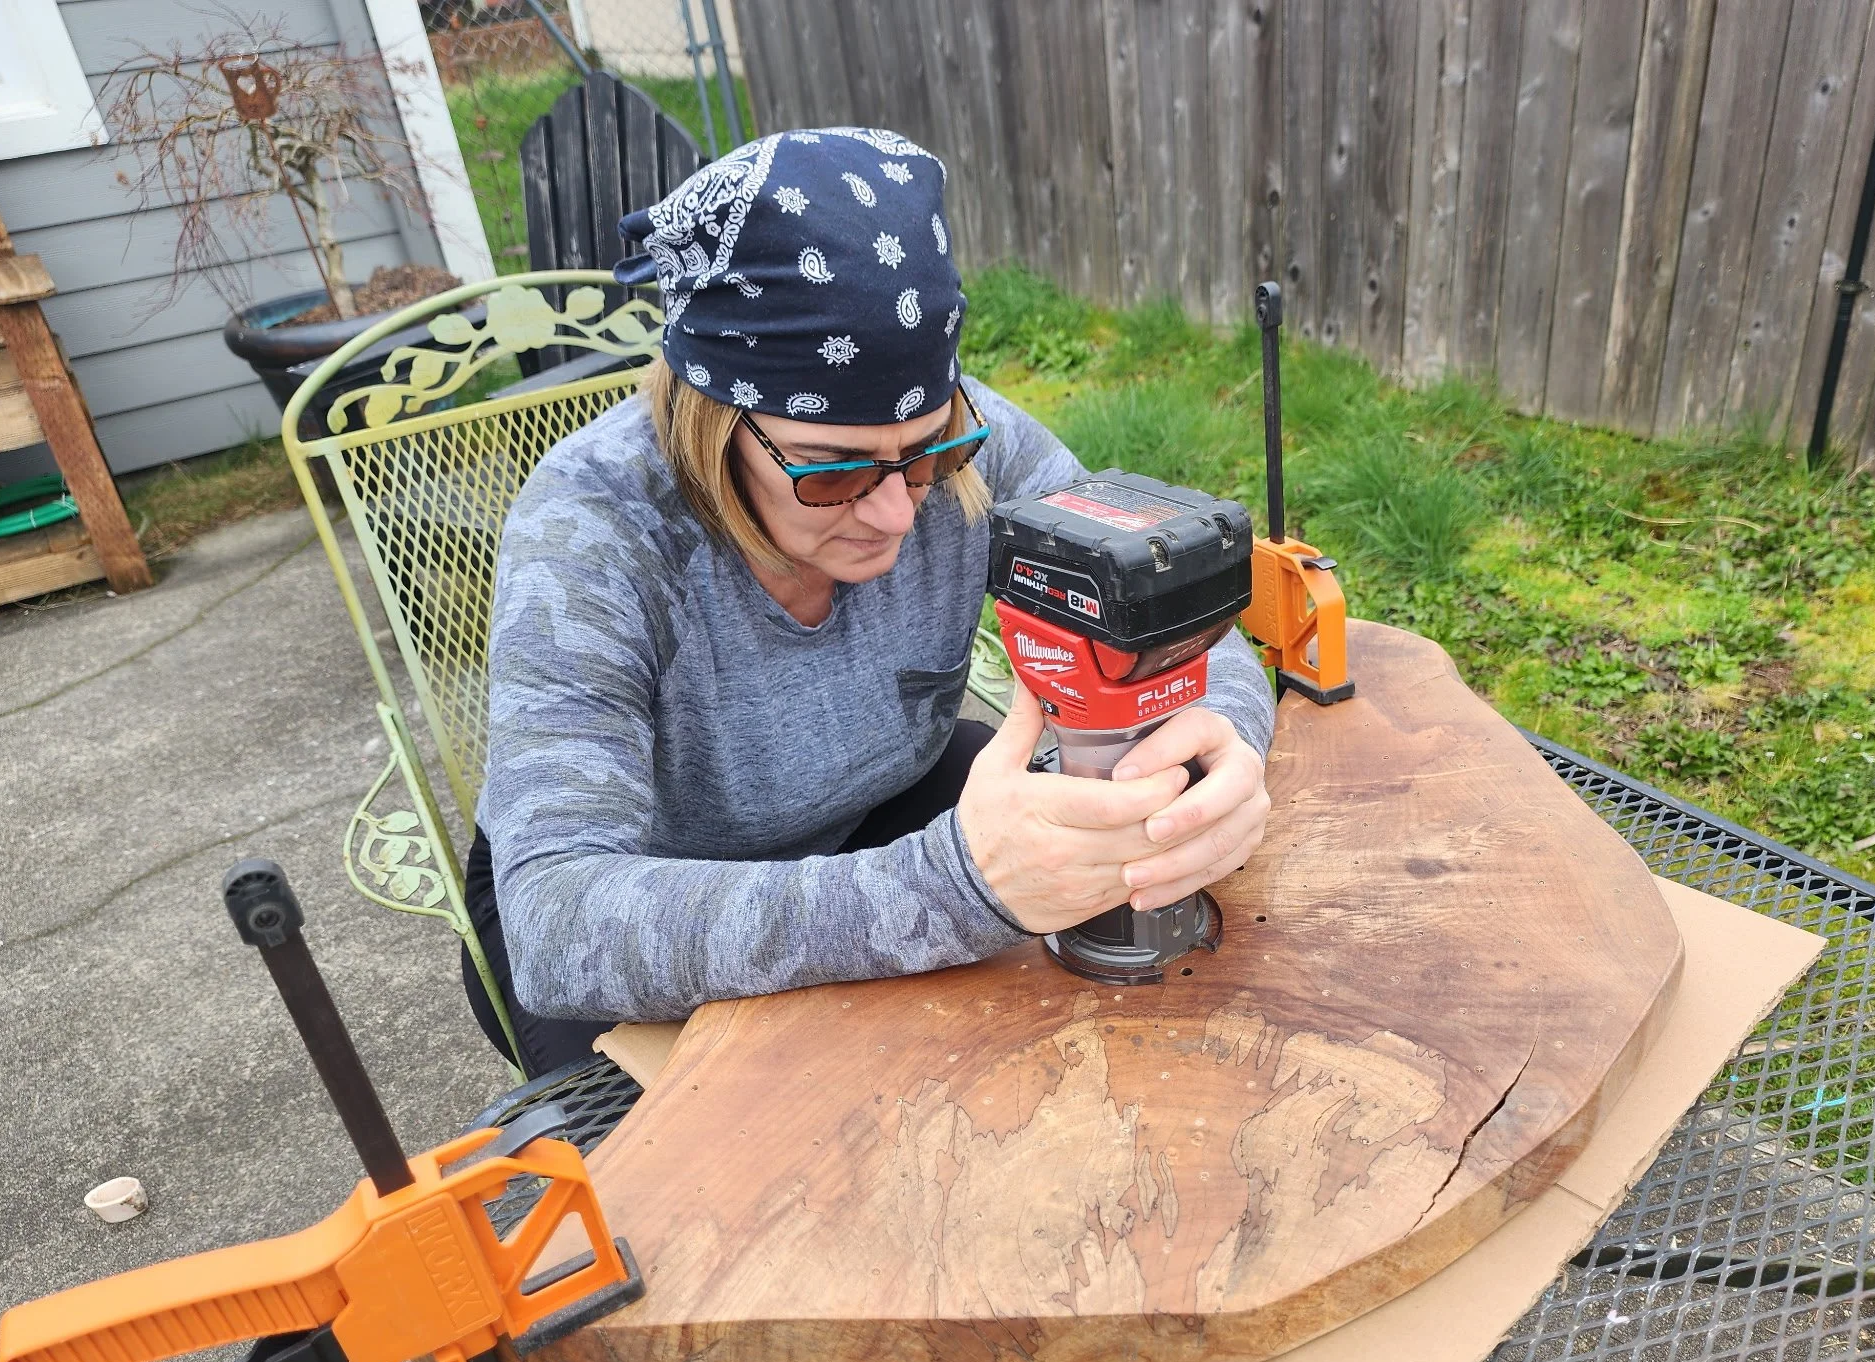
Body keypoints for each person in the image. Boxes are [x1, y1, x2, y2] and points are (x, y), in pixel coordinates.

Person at [465, 126, 1274, 1077]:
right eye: (828, 470)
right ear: (711, 422)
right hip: (645, 906)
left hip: (882, 801)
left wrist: (1220, 736)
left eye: (926, 454)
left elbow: (1164, 602)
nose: (895, 511)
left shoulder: (973, 442)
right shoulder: (595, 527)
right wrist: (952, 890)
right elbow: (558, 927)